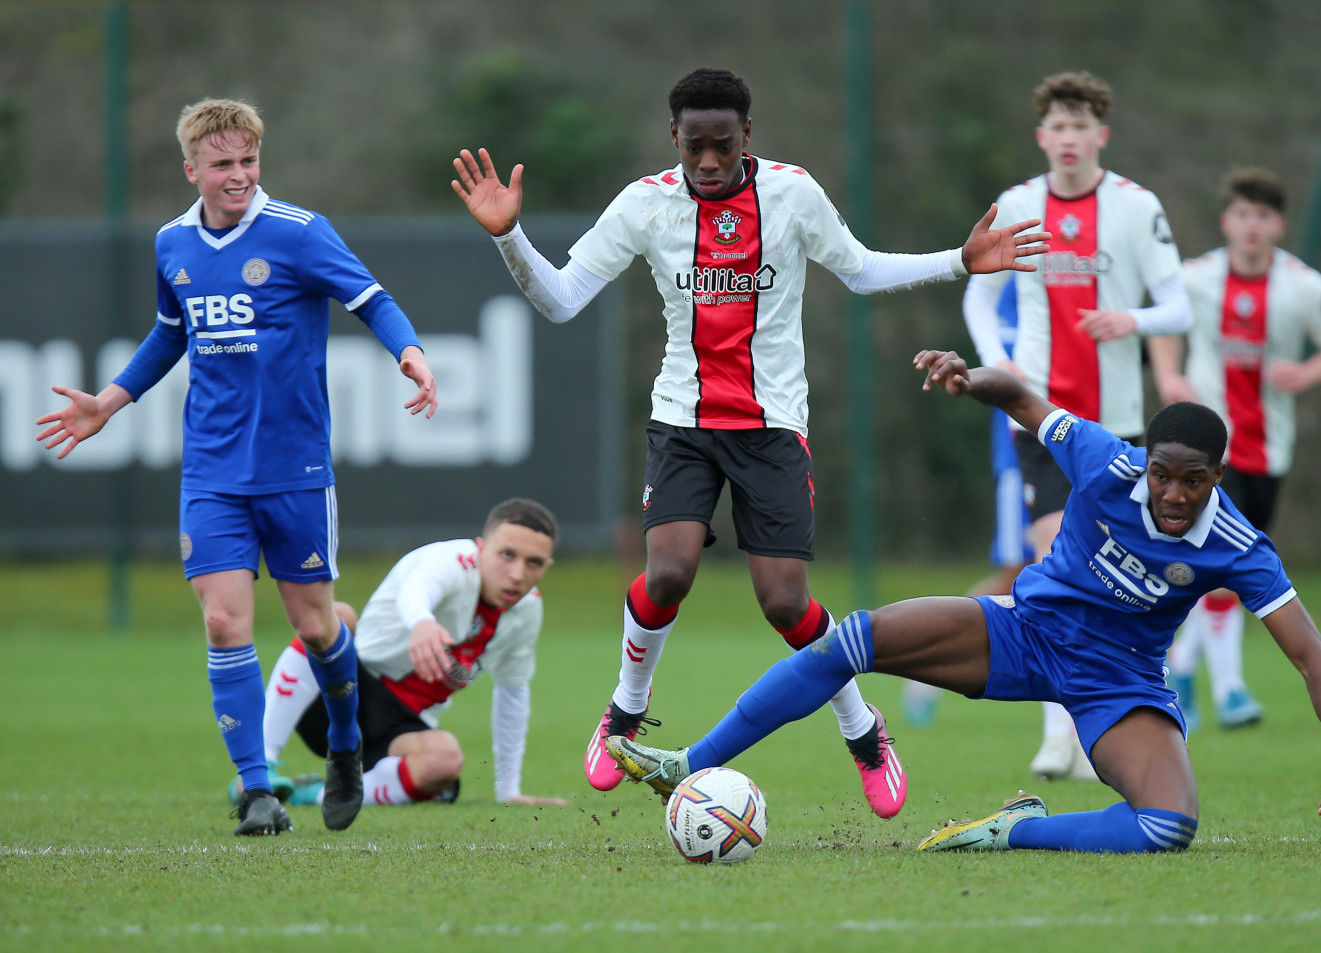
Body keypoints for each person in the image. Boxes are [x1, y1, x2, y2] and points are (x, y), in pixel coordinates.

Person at [449, 67, 1049, 819]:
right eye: (694, 146)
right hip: (683, 423)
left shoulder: (792, 193)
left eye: (722, 146)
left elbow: (859, 271)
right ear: (674, 138)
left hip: (770, 429)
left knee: (784, 602)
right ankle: (626, 711)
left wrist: (959, 260)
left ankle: (864, 730)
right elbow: (564, 299)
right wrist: (511, 237)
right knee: (666, 574)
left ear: (747, 137)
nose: (708, 161)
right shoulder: (645, 204)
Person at [607, 351, 1321, 854]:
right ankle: (687, 763)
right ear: (1146, 460)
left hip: (1121, 679)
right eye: (1164, 473)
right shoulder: (1106, 460)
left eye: (1194, 480)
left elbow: (1313, 658)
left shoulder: (1239, 545)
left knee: (1166, 825)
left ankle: (1017, 829)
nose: (1174, 494)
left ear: (1217, 477)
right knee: (850, 641)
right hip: (1024, 630)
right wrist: (966, 378)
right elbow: (1023, 397)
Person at [34, 98, 438, 836]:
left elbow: (372, 299)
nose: (239, 176)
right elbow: (168, 334)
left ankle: (346, 745)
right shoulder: (172, 244)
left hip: (295, 469)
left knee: (317, 627)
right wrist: (109, 402)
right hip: (213, 472)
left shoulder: (299, 232)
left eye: (248, 161)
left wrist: (409, 353)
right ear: (192, 169)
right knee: (224, 622)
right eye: (222, 164)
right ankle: (258, 789)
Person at [963, 71, 1192, 780]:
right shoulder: (1019, 205)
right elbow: (979, 297)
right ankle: (1058, 733)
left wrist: (1133, 319)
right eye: (1057, 127)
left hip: (1117, 422)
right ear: (1042, 137)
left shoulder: (1135, 206)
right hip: (1038, 420)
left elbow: (1179, 307)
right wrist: (1001, 363)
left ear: (1102, 134)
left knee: (1115, 576)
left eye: (1080, 125)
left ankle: (1110, 717)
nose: (1068, 138)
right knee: (1052, 563)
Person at [1149, 168, 1321, 729]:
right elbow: (1163, 324)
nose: (1252, 226)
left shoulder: (1304, 286)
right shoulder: (1197, 278)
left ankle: (1183, 665)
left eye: (1262, 216)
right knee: (1223, 563)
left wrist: (1307, 372)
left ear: (1278, 224)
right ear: (1226, 221)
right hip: (1212, 454)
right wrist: (1169, 375)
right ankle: (1232, 690)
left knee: (1221, 569)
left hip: (1271, 448)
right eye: (1242, 214)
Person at [251, 498, 569, 810]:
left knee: (445, 761)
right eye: (507, 554)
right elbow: (416, 590)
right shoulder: (451, 561)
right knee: (338, 617)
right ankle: (258, 771)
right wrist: (422, 622)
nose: (517, 574)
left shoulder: (527, 610)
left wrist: (508, 790)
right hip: (340, 695)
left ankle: (320, 794)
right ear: (481, 548)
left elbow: (513, 693)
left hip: (398, 729)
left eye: (534, 562)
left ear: (547, 566)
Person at [902, 276, 1034, 728]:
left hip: (1077, 454)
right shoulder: (1005, 296)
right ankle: (925, 667)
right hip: (1023, 462)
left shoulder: (1083, 281)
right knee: (1015, 576)